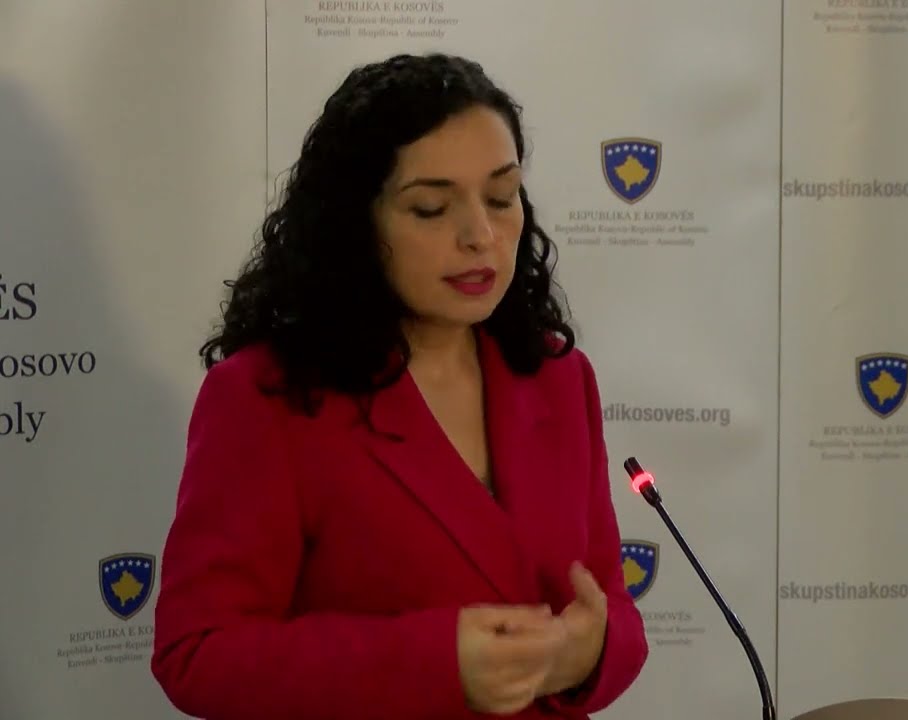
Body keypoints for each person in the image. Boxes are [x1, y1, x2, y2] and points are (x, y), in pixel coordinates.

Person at [150, 53, 648, 719]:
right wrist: (436, 663)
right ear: (357, 224)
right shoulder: (264, 397)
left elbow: (610, 606)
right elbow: (198, 654)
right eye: (431, 208)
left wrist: (583, 658)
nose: (480, 236)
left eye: (502, 198)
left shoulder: (559, 376)